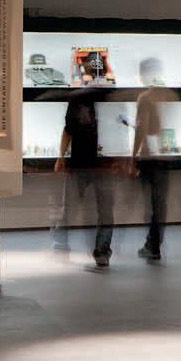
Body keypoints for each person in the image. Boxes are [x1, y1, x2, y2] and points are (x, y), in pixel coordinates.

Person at [51, 60, 114, 266]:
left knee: (75, 207)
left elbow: (68, 130)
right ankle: (98, 251)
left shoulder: (84, 98)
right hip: (92, 163)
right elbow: (68, 130)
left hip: (90, 163)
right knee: (101, 210)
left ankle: (65, 246)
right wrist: (61, 157)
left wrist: (61, 157)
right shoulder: (95, 98)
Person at [130, 58, 178, 262]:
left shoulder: (145, 97)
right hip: (166, 154)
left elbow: (142, 128)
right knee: (160, 203)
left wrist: (133, 156)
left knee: (151, 204)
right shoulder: (170, 95)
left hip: (149, 156)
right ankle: (154, 243)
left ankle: (153, 244)